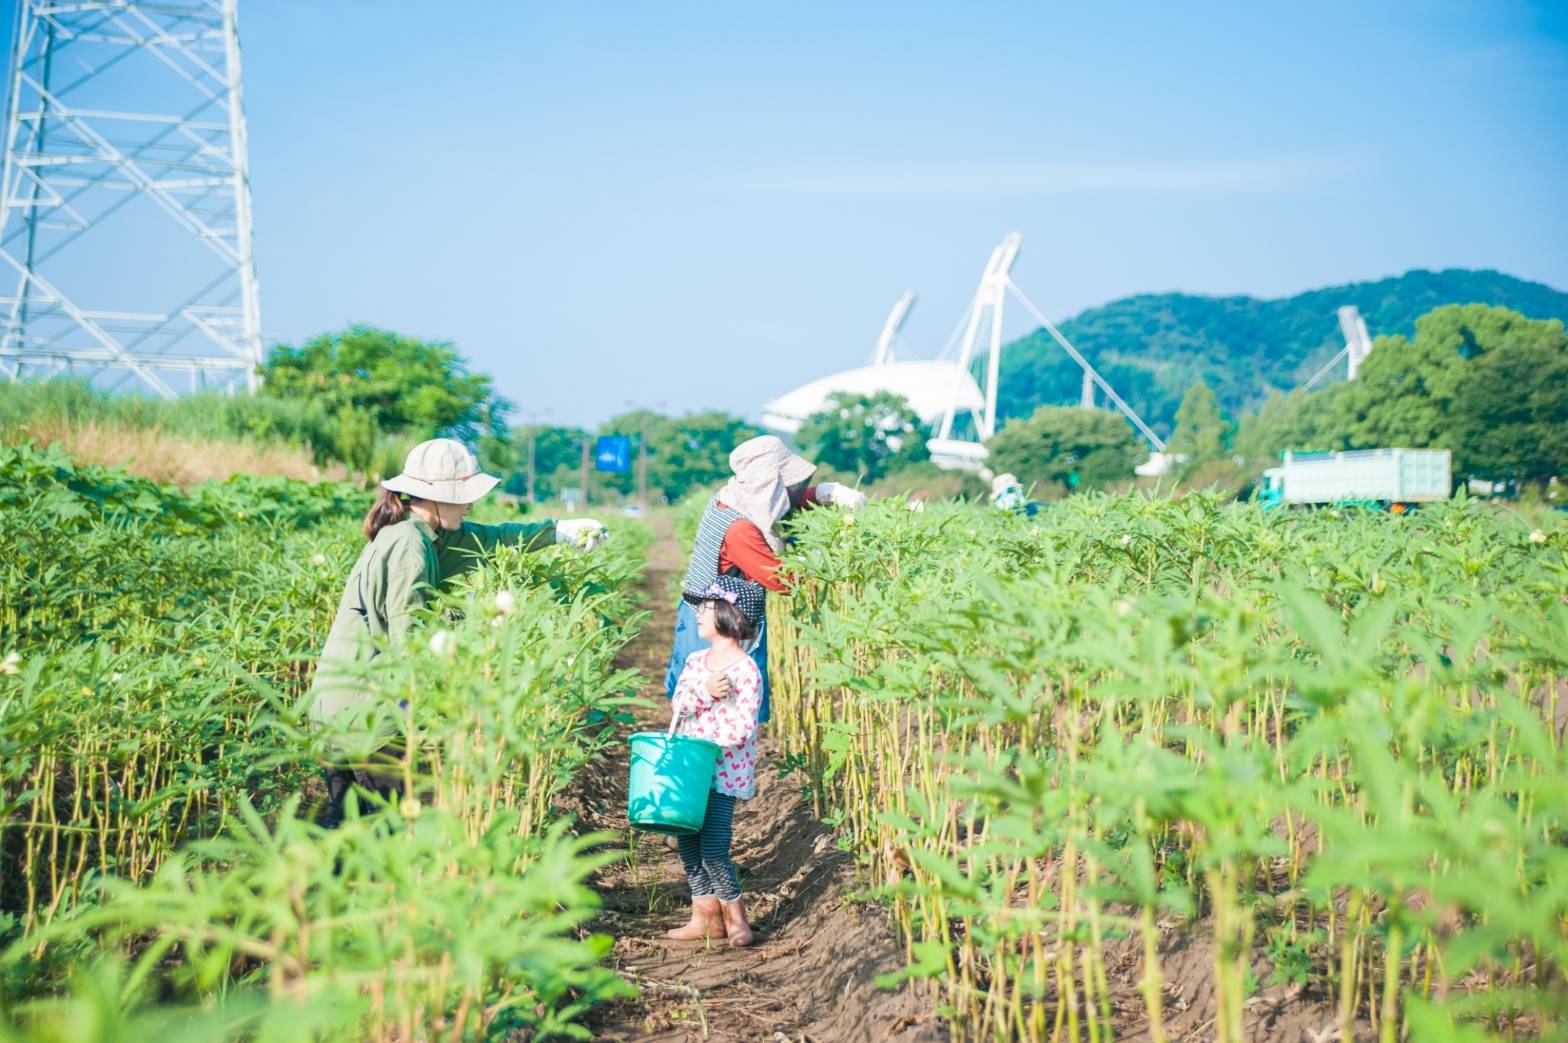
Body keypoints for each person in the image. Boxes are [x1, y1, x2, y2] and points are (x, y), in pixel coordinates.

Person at [308, 437, 604, 826]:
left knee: (345, 828)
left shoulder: (415, 533)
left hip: (340, 707)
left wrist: (557, 532)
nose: (470, 504)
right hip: (370, 713)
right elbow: (411, 640)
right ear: (431, 497)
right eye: (462, 495)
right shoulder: (411, 547)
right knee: (382, 832)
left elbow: (489, 540)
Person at [665, 435, 864, 724]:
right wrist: (829, 558)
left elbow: (781, 503)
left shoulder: (730, 498)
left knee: (705, 708)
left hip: (706, 614)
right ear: (768, 484)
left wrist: (823, 493)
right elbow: (781, 580)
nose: (789, 490)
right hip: (717, 626)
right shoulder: (740, 530)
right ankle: (717, 768)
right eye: (784, 483)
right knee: (716, 713)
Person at [665, 576, 767, 946]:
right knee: (688, 845)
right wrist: (706, 693)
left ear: (726, 614)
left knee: (714, 848)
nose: (699, 615)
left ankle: (736, 917)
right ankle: (704, 917)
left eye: (705, 608)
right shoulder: (695, 662)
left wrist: (705, 748)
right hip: (688, 774)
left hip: (721, 775)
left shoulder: (746, 671)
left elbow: (742, 728)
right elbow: (680, 706)